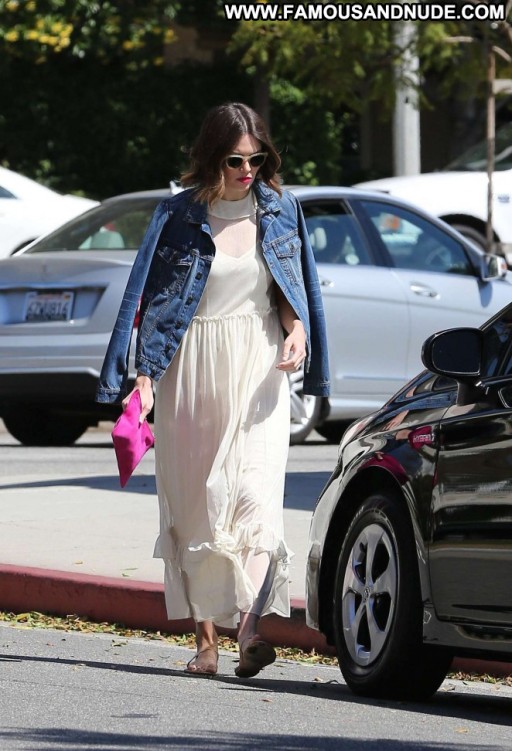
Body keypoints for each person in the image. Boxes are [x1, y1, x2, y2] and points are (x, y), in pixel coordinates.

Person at [96, 102, 330, 678]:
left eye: (257, 159)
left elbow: (290, 290)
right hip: (192, 367)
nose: (247, 170)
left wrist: (298, 330)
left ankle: (249, 631)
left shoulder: (280, 210)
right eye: (234, 160)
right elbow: (148, 298)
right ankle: (206, 644)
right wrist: (143, 378)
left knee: (255, 497)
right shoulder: (178, 215)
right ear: (210, 158)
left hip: (258, 367)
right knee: (200, 503)